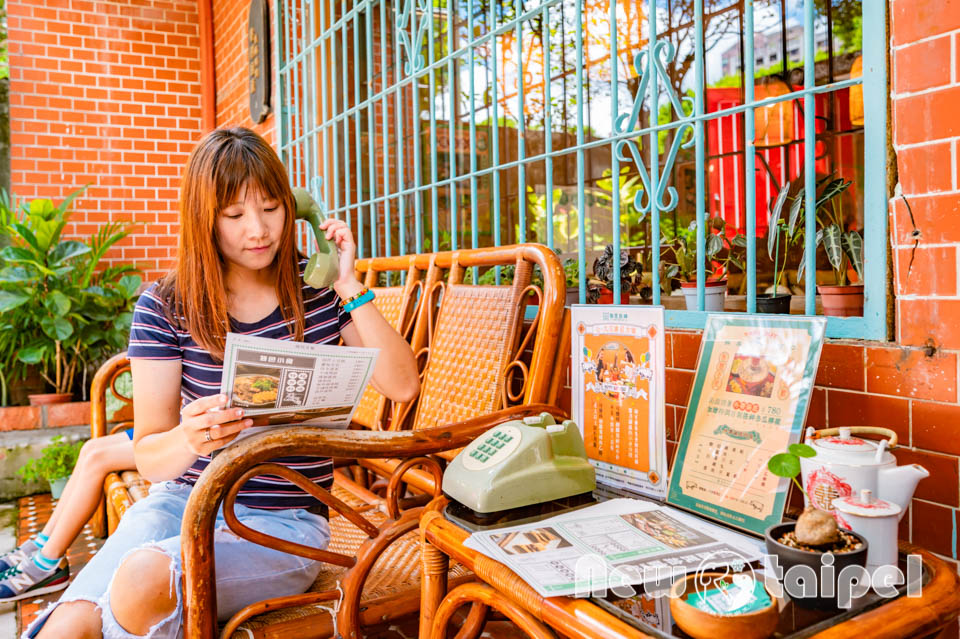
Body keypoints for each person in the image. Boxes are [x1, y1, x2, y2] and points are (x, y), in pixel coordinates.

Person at [25, 127, 420, 639]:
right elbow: (149, 453)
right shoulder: (165, 305)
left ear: (293, 208)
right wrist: (190, 438)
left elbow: (403, 385)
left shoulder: (317, 288)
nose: (258, 230)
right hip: (181, 502)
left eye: (272, 208)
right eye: (234, 215)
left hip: (285, 525)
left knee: (145, 577)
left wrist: (346, 282)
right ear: (204, 220)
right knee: (71, 622)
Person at [0, 432, 135, 602]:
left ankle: (47, 563)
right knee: (90, 448)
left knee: (96, 460)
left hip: (173, 441)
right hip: (168, 429)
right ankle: (42, 543)